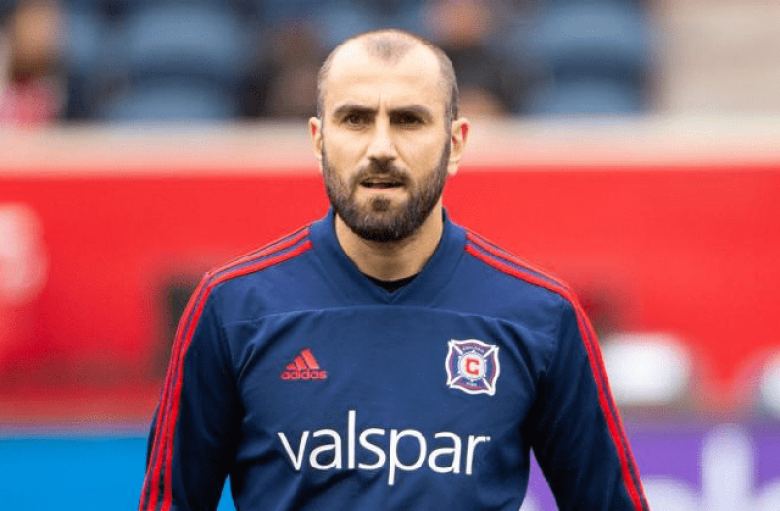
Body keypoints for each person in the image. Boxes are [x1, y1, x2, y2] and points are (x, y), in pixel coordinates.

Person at [138, 28, 649, 511]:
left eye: (408, 120)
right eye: (355, 119)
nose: (381, 148)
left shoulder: (540, 317)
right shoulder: (231, 309)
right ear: (318, 139)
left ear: (456, 143)